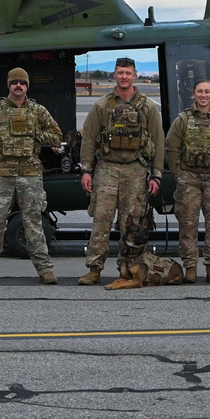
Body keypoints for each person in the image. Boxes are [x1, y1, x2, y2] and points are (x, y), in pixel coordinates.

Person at [0, 67, 62, 285]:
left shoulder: (38, 111)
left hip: (30, 176)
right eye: (14, 82)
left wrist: (36, 134)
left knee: (34, 224)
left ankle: (45, 269)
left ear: (27, 86)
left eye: (22, 82)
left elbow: (56, 137)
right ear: (8, 85)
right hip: (1, 175)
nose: (18, 86)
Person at [77, 57, 165, 285]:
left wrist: (156, 174)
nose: (124, 76)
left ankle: (127, 269)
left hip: (136, 170)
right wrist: (86, 170)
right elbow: (88, 139)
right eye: (120, 72)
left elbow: (158, 141)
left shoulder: (147, 107)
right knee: (101, 221)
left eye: (128, 72)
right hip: (106, 169)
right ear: (114, 75)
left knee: (133, 223)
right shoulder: (102, 106)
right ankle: (94, 269)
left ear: (134, 75)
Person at [165, 79, 210, 284]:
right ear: (194, 94)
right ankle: (190, 268)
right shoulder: (183, 120)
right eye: (200, 91)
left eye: (207, 91)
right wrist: (179, 174)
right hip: (189, 178)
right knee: (187, 225)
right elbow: (171, 148)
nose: (203, 95)